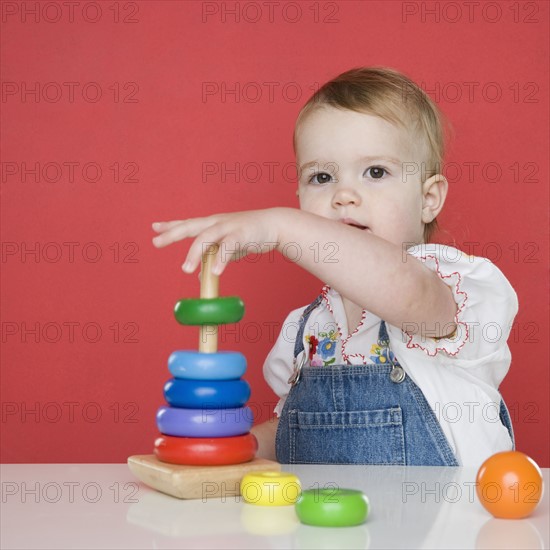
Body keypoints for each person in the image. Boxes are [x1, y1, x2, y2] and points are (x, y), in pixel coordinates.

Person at [152, 67, 518, 467]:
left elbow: (404, 290)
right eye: (321, 177)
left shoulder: (451, 286)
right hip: (332, 528)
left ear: (428, 198)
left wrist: (279, 226)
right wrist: (242, 448)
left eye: (376, 172)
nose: (344, 195)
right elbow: (302, 431)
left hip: (447, 524)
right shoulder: (306, 330)